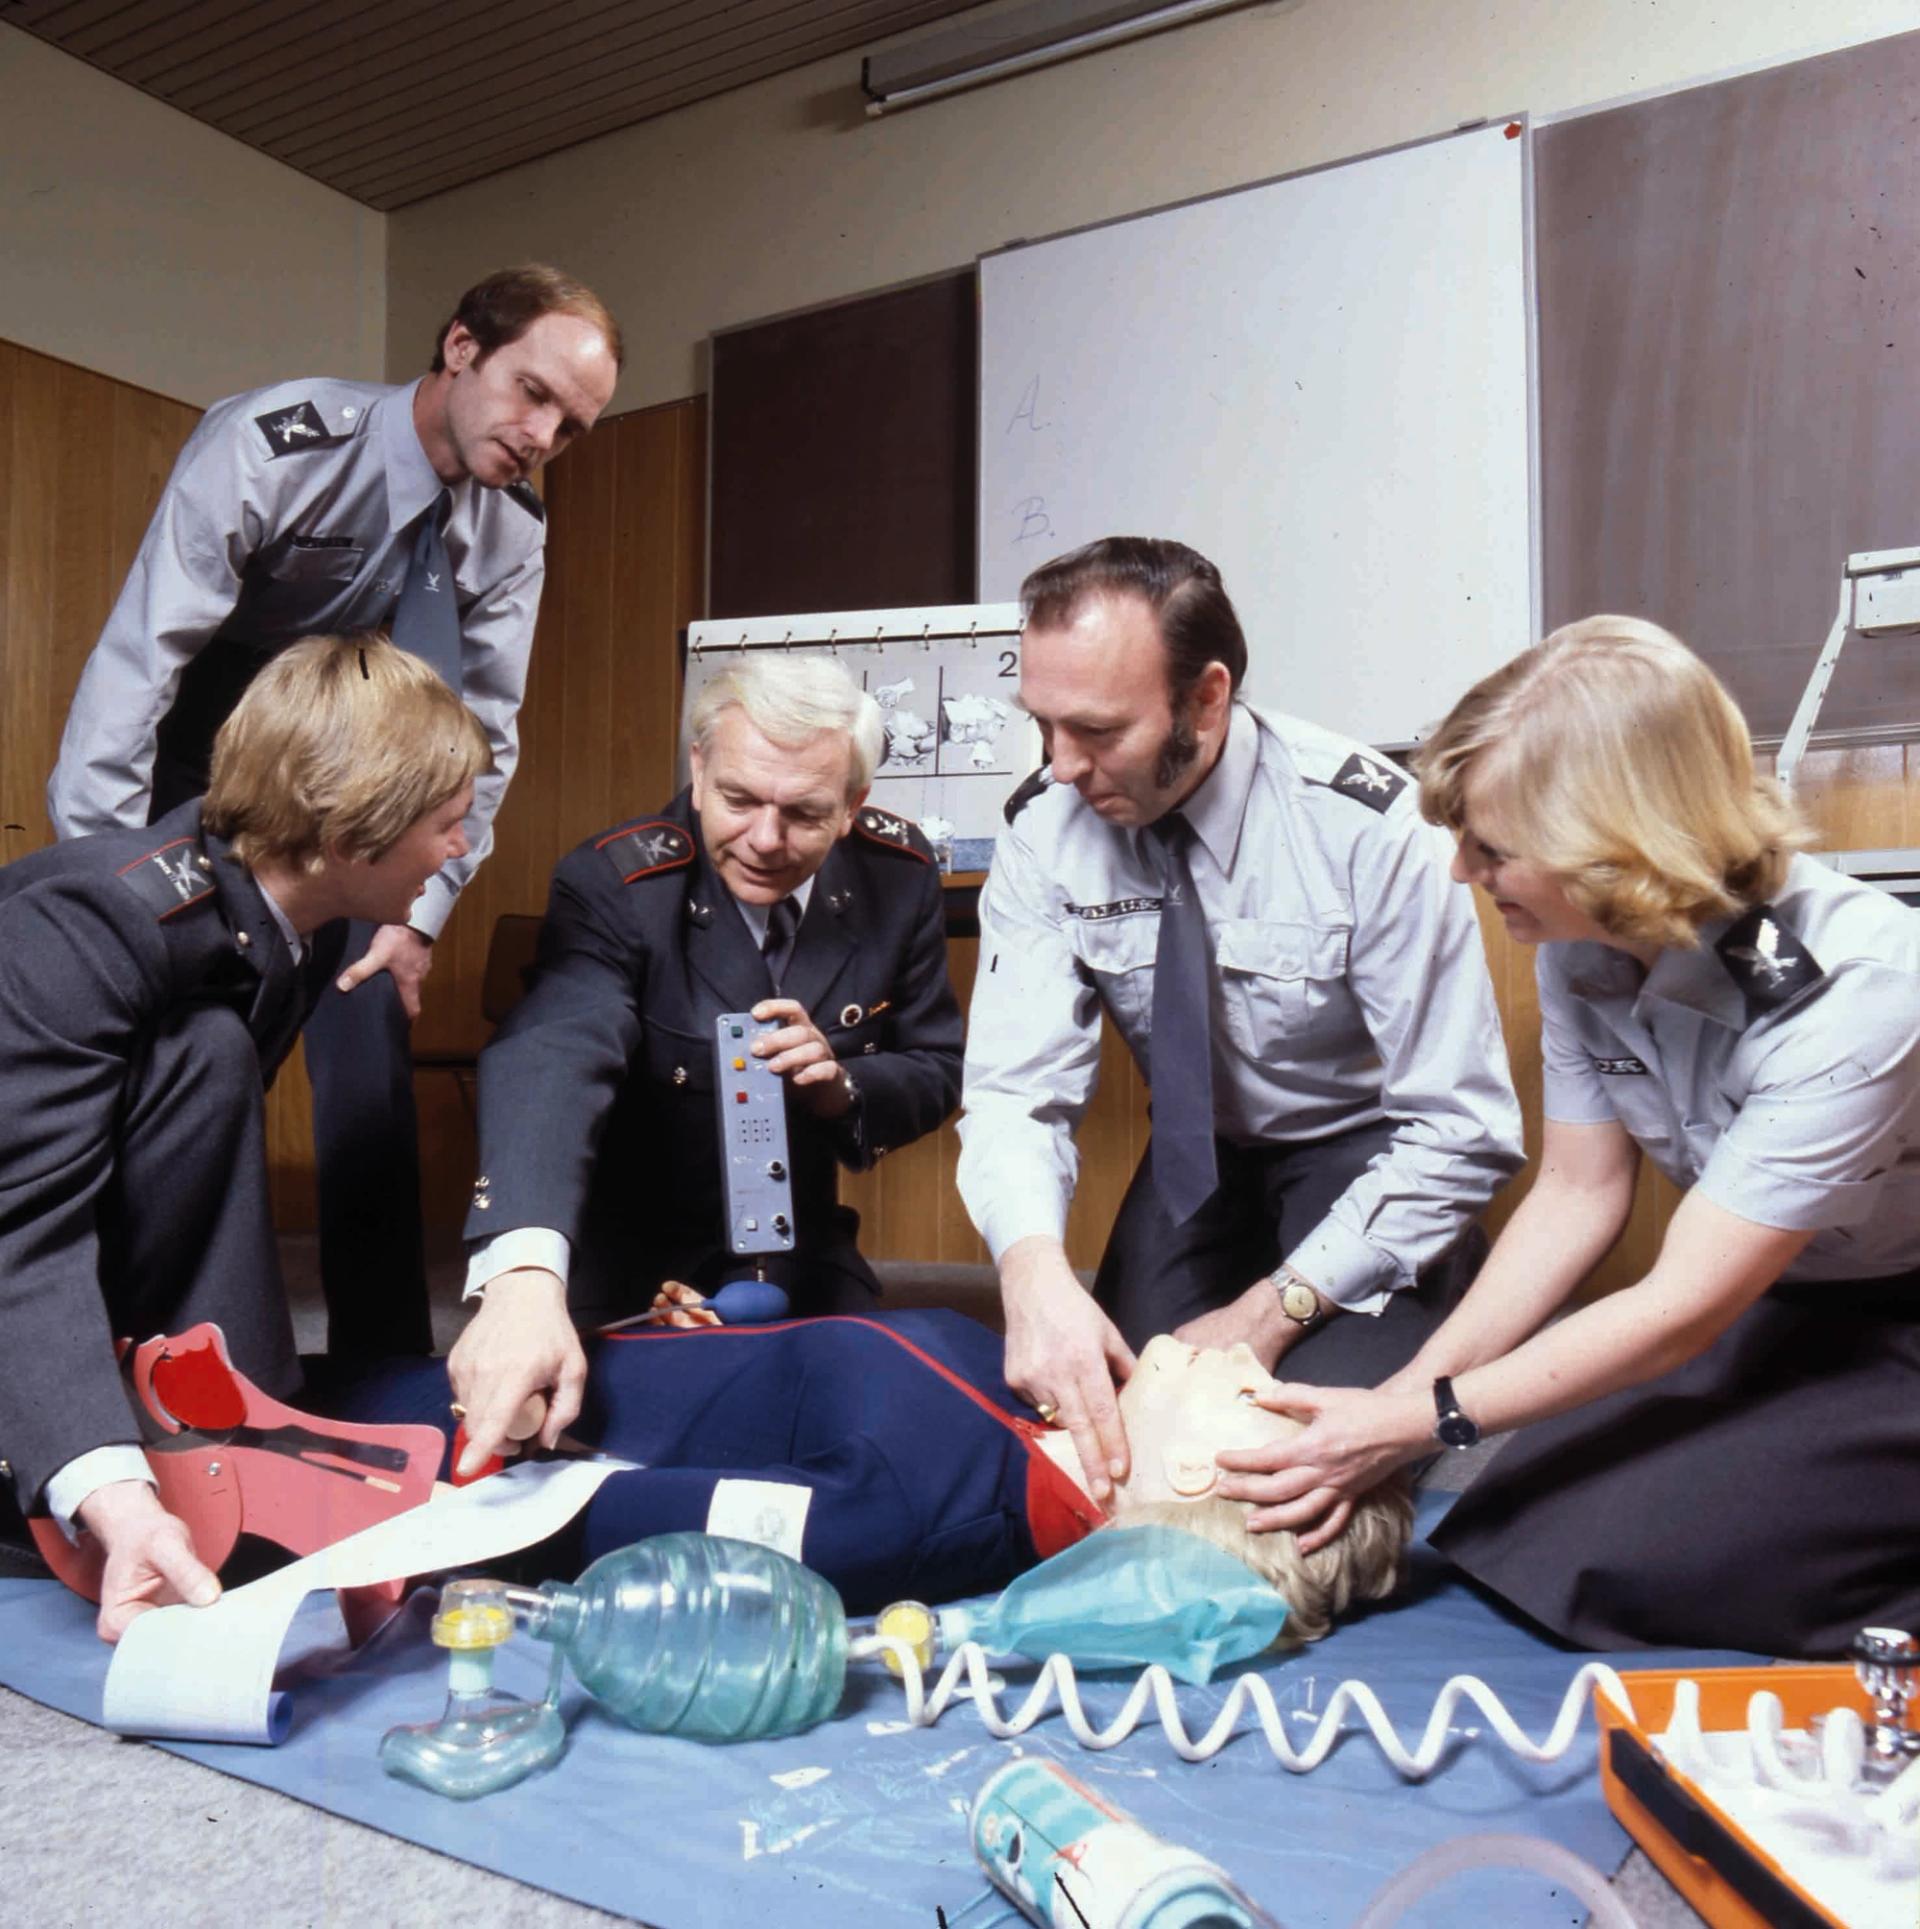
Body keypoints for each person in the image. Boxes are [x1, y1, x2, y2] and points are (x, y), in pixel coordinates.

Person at [1215, 616, 1920, 1658]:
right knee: (1512, 1524)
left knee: (1614, 1564)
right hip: (1780, 1299)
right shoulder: (1588, 939)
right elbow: (1577, 1198)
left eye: (1492, 849)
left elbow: (1678, 1312)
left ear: (1617, 843)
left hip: (1892, 1319)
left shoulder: (1855, 996)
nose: (1462, 872)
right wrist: (1399, 1409)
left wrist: (1416, 1425)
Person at [46, 265, 622, 1360]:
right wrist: (105, 877)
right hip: (210, 761)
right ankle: (131, 1335)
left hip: (377, 781)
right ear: (460, 347)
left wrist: (421, 913)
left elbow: (482, 735)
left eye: (574, 424)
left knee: (367, 1050)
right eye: (531, 392)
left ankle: (386, 1366)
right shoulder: (278, 443)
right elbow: (141, 659)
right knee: (192, 1051)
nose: (544, 434)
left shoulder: (510, 534)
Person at [955, 537, 1523, 1506]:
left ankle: (1429, 1282)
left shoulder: (1365, 828)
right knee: (1127, 1453)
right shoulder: (1043, 831)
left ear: (1207, 701)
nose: (1059, 768)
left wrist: (1271, 1312)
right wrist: (1033, 1273)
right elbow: (1013, 1092)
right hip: (1198, 1165)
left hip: (1367, 1158)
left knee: (1286, 1458)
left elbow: (1460, 1132)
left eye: (1095, 731)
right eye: (1041, 726)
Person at [1, 636, 491, 1643]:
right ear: (353, 833)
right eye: (446, 826)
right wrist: (113, 1492)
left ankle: (231, 1438)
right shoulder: (93, 923)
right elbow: (21, 1236)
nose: (458, 852)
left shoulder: (288, 915)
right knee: (208, 1051)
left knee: (204, 1053)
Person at [448, 654, 966, 1475]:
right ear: (697, 767)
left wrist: (841, 1087)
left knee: (878, 1441)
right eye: (738, 799)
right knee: (580, 1455)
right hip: (628, 1253)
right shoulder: (616, 881)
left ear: (853, 805)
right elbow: (552, 1051)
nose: (765, 839)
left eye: (803, 813)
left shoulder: (897, 879)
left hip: (801, 1250)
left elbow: (936, 1064)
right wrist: (522, 1273)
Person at [324, 1313, 1413, 1634]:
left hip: (378, 1428)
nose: (1241, 1354)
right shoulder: (1039, 1399)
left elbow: (561, 1517)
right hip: (540, 1345)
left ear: (1190, 1471)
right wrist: (730, 1330)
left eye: (1249, 1391)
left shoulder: (888, 1522)